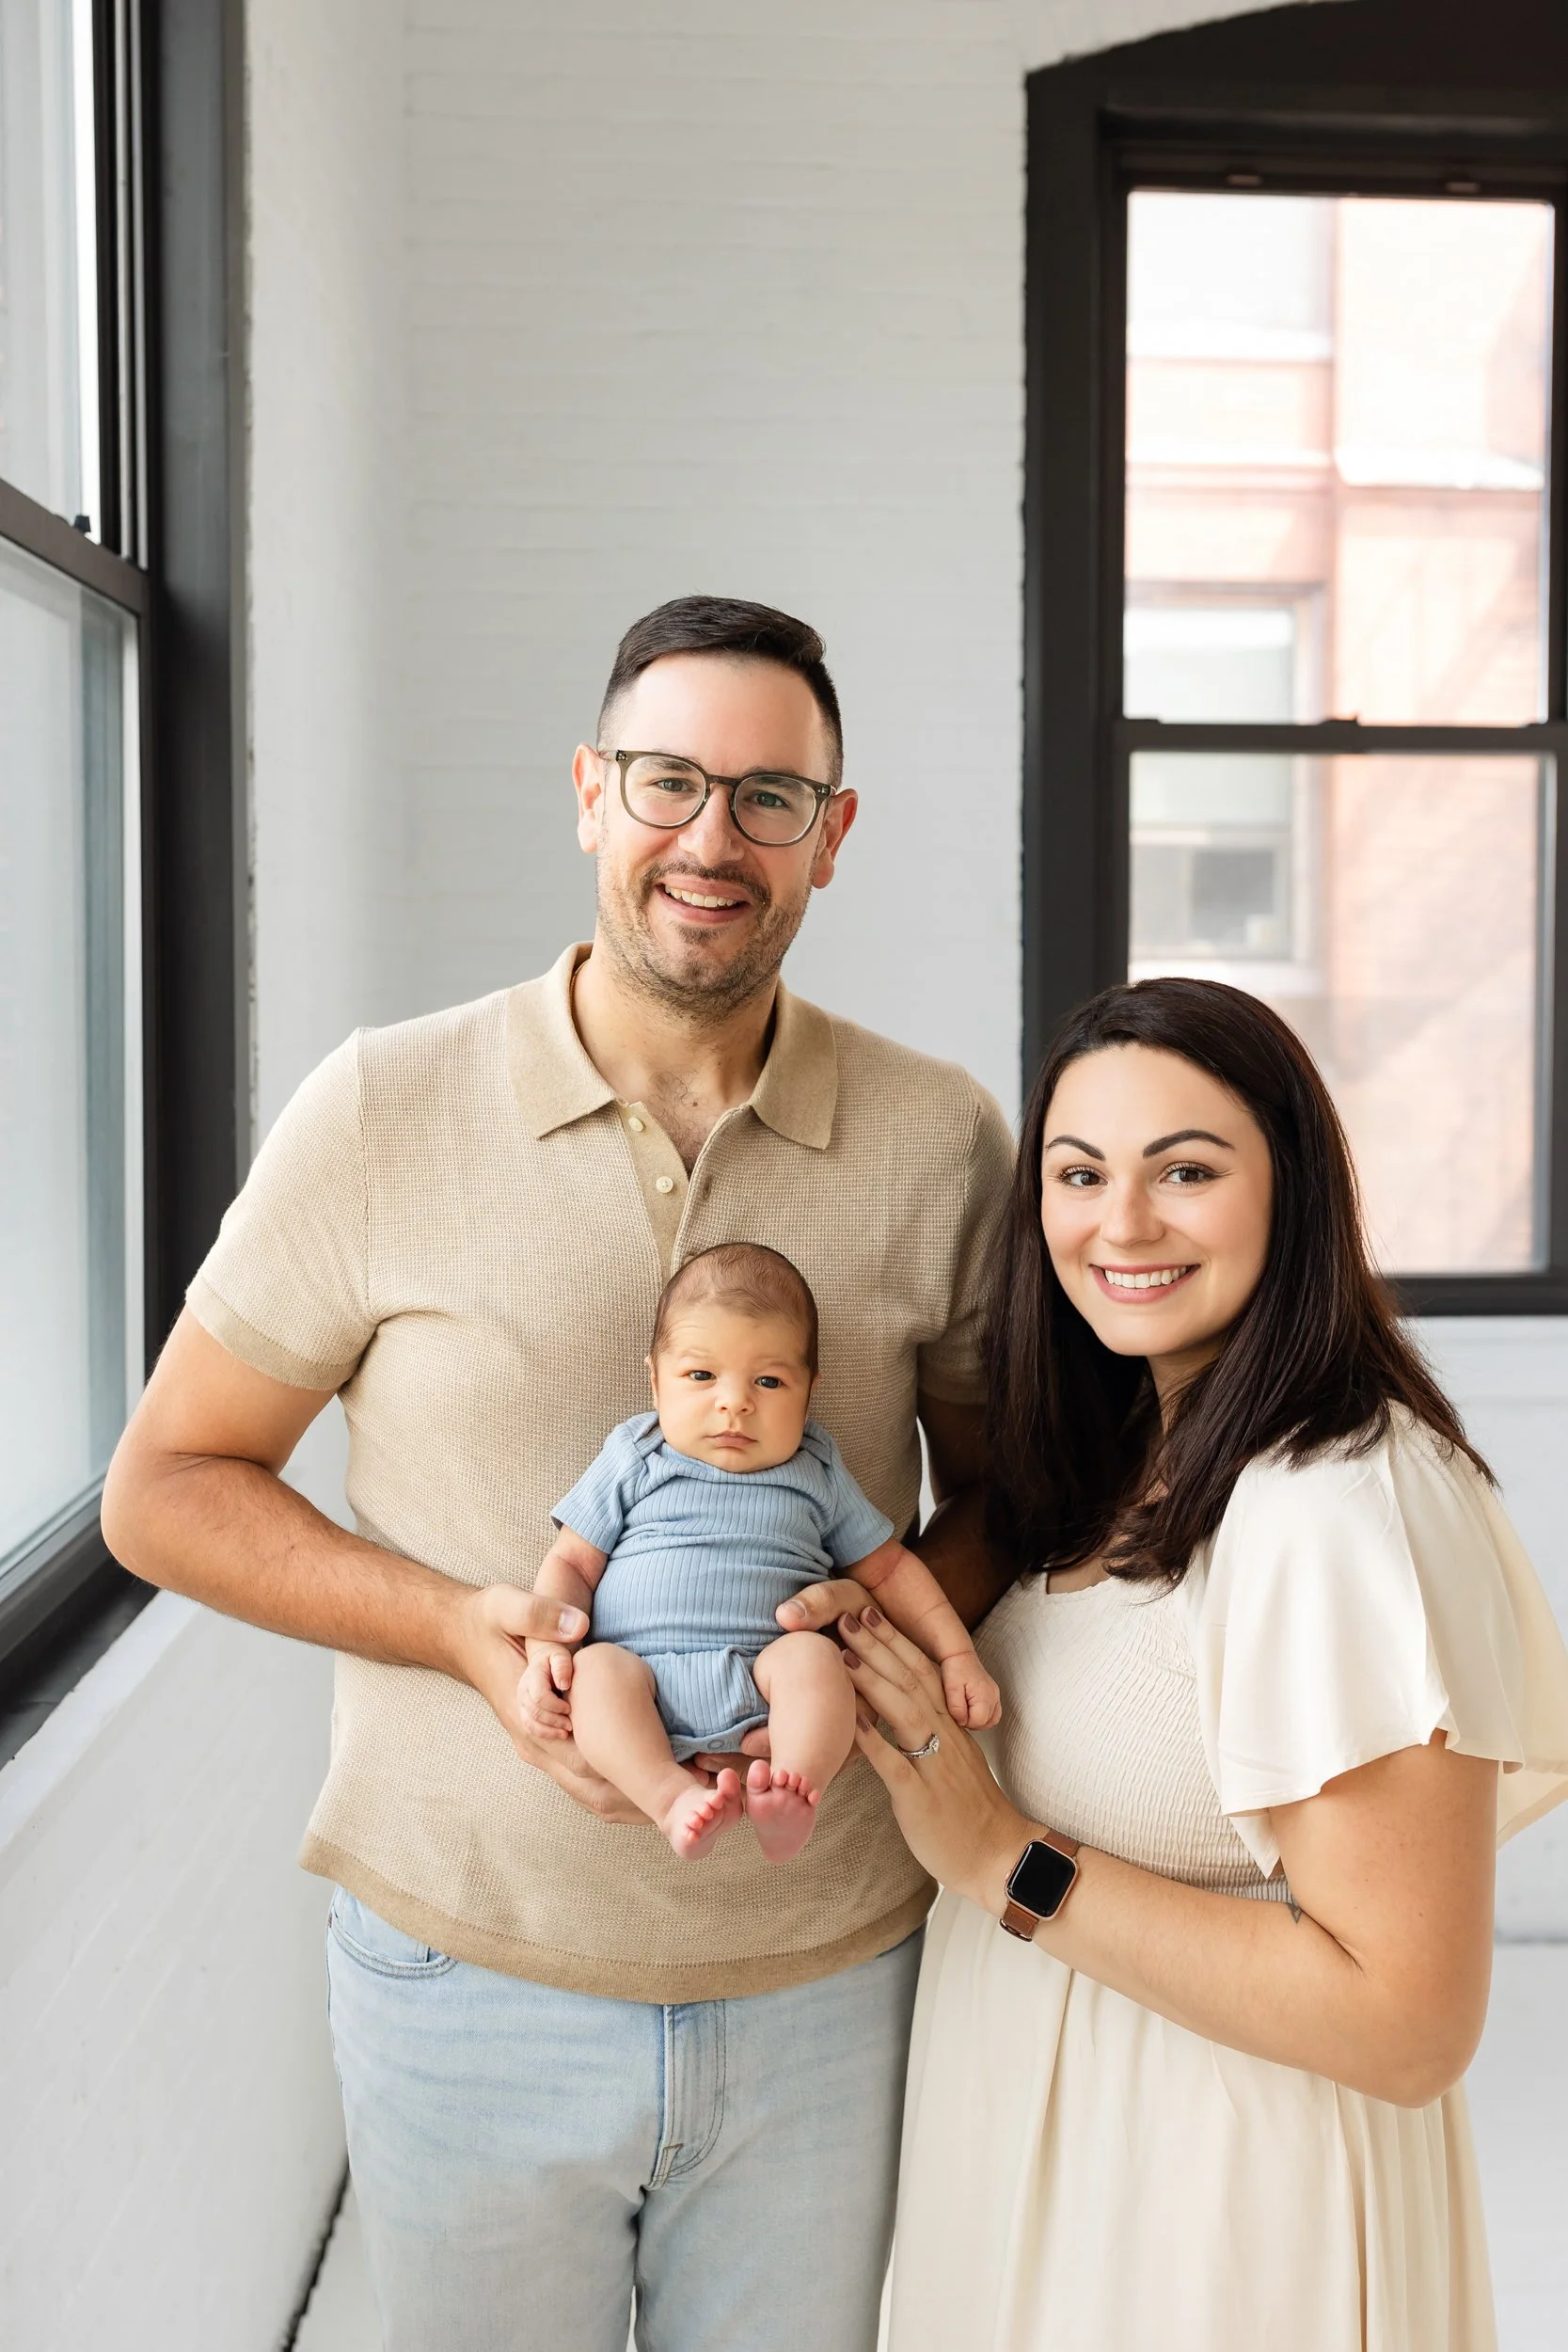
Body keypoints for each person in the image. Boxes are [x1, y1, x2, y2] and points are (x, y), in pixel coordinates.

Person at [100, 596, 1014, 2352]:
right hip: (468, 1977)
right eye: (669, 782)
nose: (711, 838)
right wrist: (457, 1628)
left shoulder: (937, 1135)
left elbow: (995, 1506)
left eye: (768, 796)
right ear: (590, 793)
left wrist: (869, 1626)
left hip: (829, 1978)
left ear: (832, 835)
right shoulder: (382, 1108)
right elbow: (166, 1487)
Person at [837, 977, 1568, 2352]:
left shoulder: (1332, 1508)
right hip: (1058, 2177)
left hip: (1219, 2221)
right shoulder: (1134, 1446)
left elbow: (1407, 2021)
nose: (1119, 1224)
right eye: (1076, 1173)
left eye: (1184, 1170)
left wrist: (1002, 1859)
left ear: (1288, 1187)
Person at [525, 1242, 1001, 1863]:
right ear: (654, 1380)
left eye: (769, 1381)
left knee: (812, 1659)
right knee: (597, 1676)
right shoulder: (635, 1456)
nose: (733, 1402)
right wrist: (546, 1652)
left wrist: (956, 1654)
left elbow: (888, 1567)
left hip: (765, 1681)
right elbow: (570, 1564)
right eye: (700, 1376)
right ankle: (670, 1798)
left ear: (809, 1393)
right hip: (640, 1676)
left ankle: (793, 1789)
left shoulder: (815, 1468)